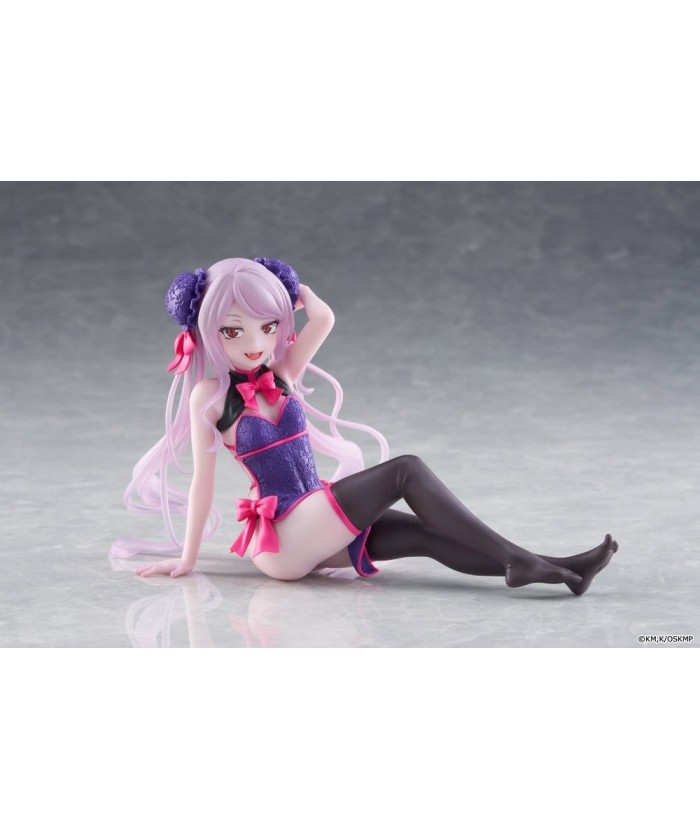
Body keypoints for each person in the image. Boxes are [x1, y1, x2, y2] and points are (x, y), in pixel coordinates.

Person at [119, 257, 617, 594]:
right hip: (285, 539)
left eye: (267, 327)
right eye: (233, 331)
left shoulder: (283, 372)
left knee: (428, 536)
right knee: (406, 470)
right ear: (207, 332)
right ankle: (519, 561)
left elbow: (324, 318)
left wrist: (292, 291)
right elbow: (201, 484)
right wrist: (187, 559)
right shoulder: (210, 398)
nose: (254, 344)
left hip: (316, 516)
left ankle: (560, 570)